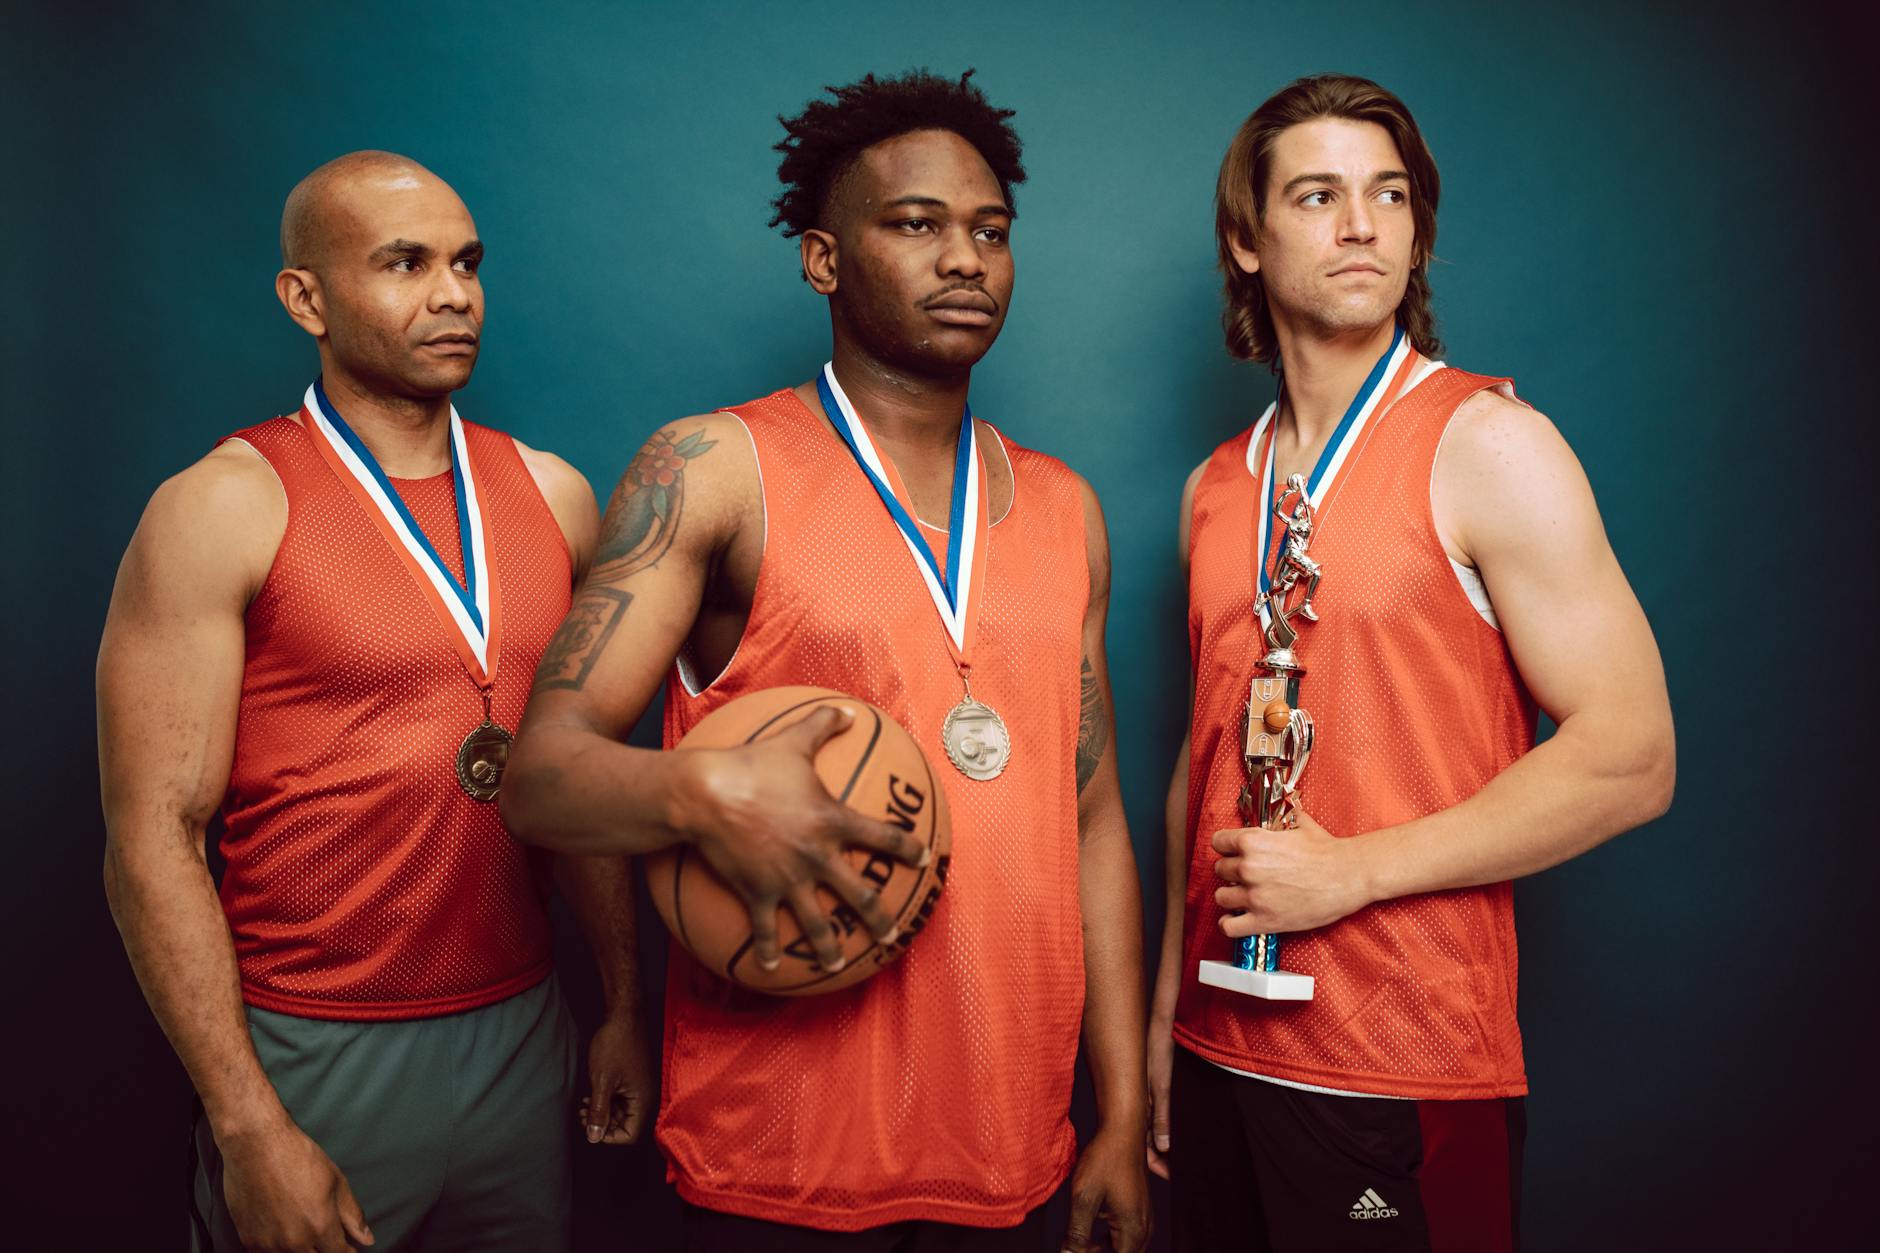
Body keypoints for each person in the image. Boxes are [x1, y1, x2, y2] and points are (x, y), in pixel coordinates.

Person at [502, 70, 1150, 1253]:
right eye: (915, 224)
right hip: (780, 1144)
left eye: (989, 232)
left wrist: (1117, 1113)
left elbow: (1091, 818)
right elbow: (541, 773)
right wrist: (697, 786)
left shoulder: (1065, 507)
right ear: (822, 259)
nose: (964, 258)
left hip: (1013, 1141)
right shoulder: (712, 468)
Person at [1145, 75, 1676, 1252]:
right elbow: (1209, 757)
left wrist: (1354, 872)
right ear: (1245, 237)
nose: (1360, 225)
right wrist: (1156, 1027)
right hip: (1216, 1049)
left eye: (1388, 195)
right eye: (1318, 194)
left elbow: (1631, 756)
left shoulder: (1491, 446)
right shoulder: (1213, 489)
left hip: (1402, 1055)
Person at [99, 151, 649, 1253]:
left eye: (466, 262)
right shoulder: (223, 505)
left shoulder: (551, 492)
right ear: (306, 297)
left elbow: (572, 778)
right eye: (405, 263)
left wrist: (626, 1004)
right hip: (317, 1044)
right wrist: (250, 1123)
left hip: (520, 1027)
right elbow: (153, 837)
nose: (453, 294)